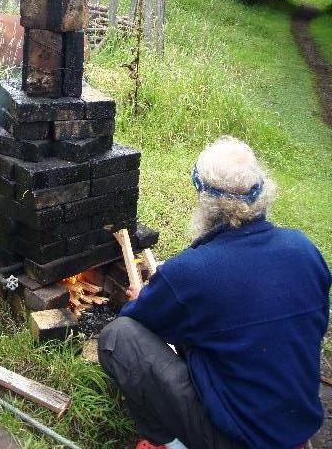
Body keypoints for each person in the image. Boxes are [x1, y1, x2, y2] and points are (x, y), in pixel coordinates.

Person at [98, 136, 331, 449]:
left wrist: (141, 297)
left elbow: (138, 320)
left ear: (206, 201)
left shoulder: (194, 271)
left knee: (118, 337)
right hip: (294, 427)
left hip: (236, 438)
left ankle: (162, 441)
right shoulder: (305, 249)